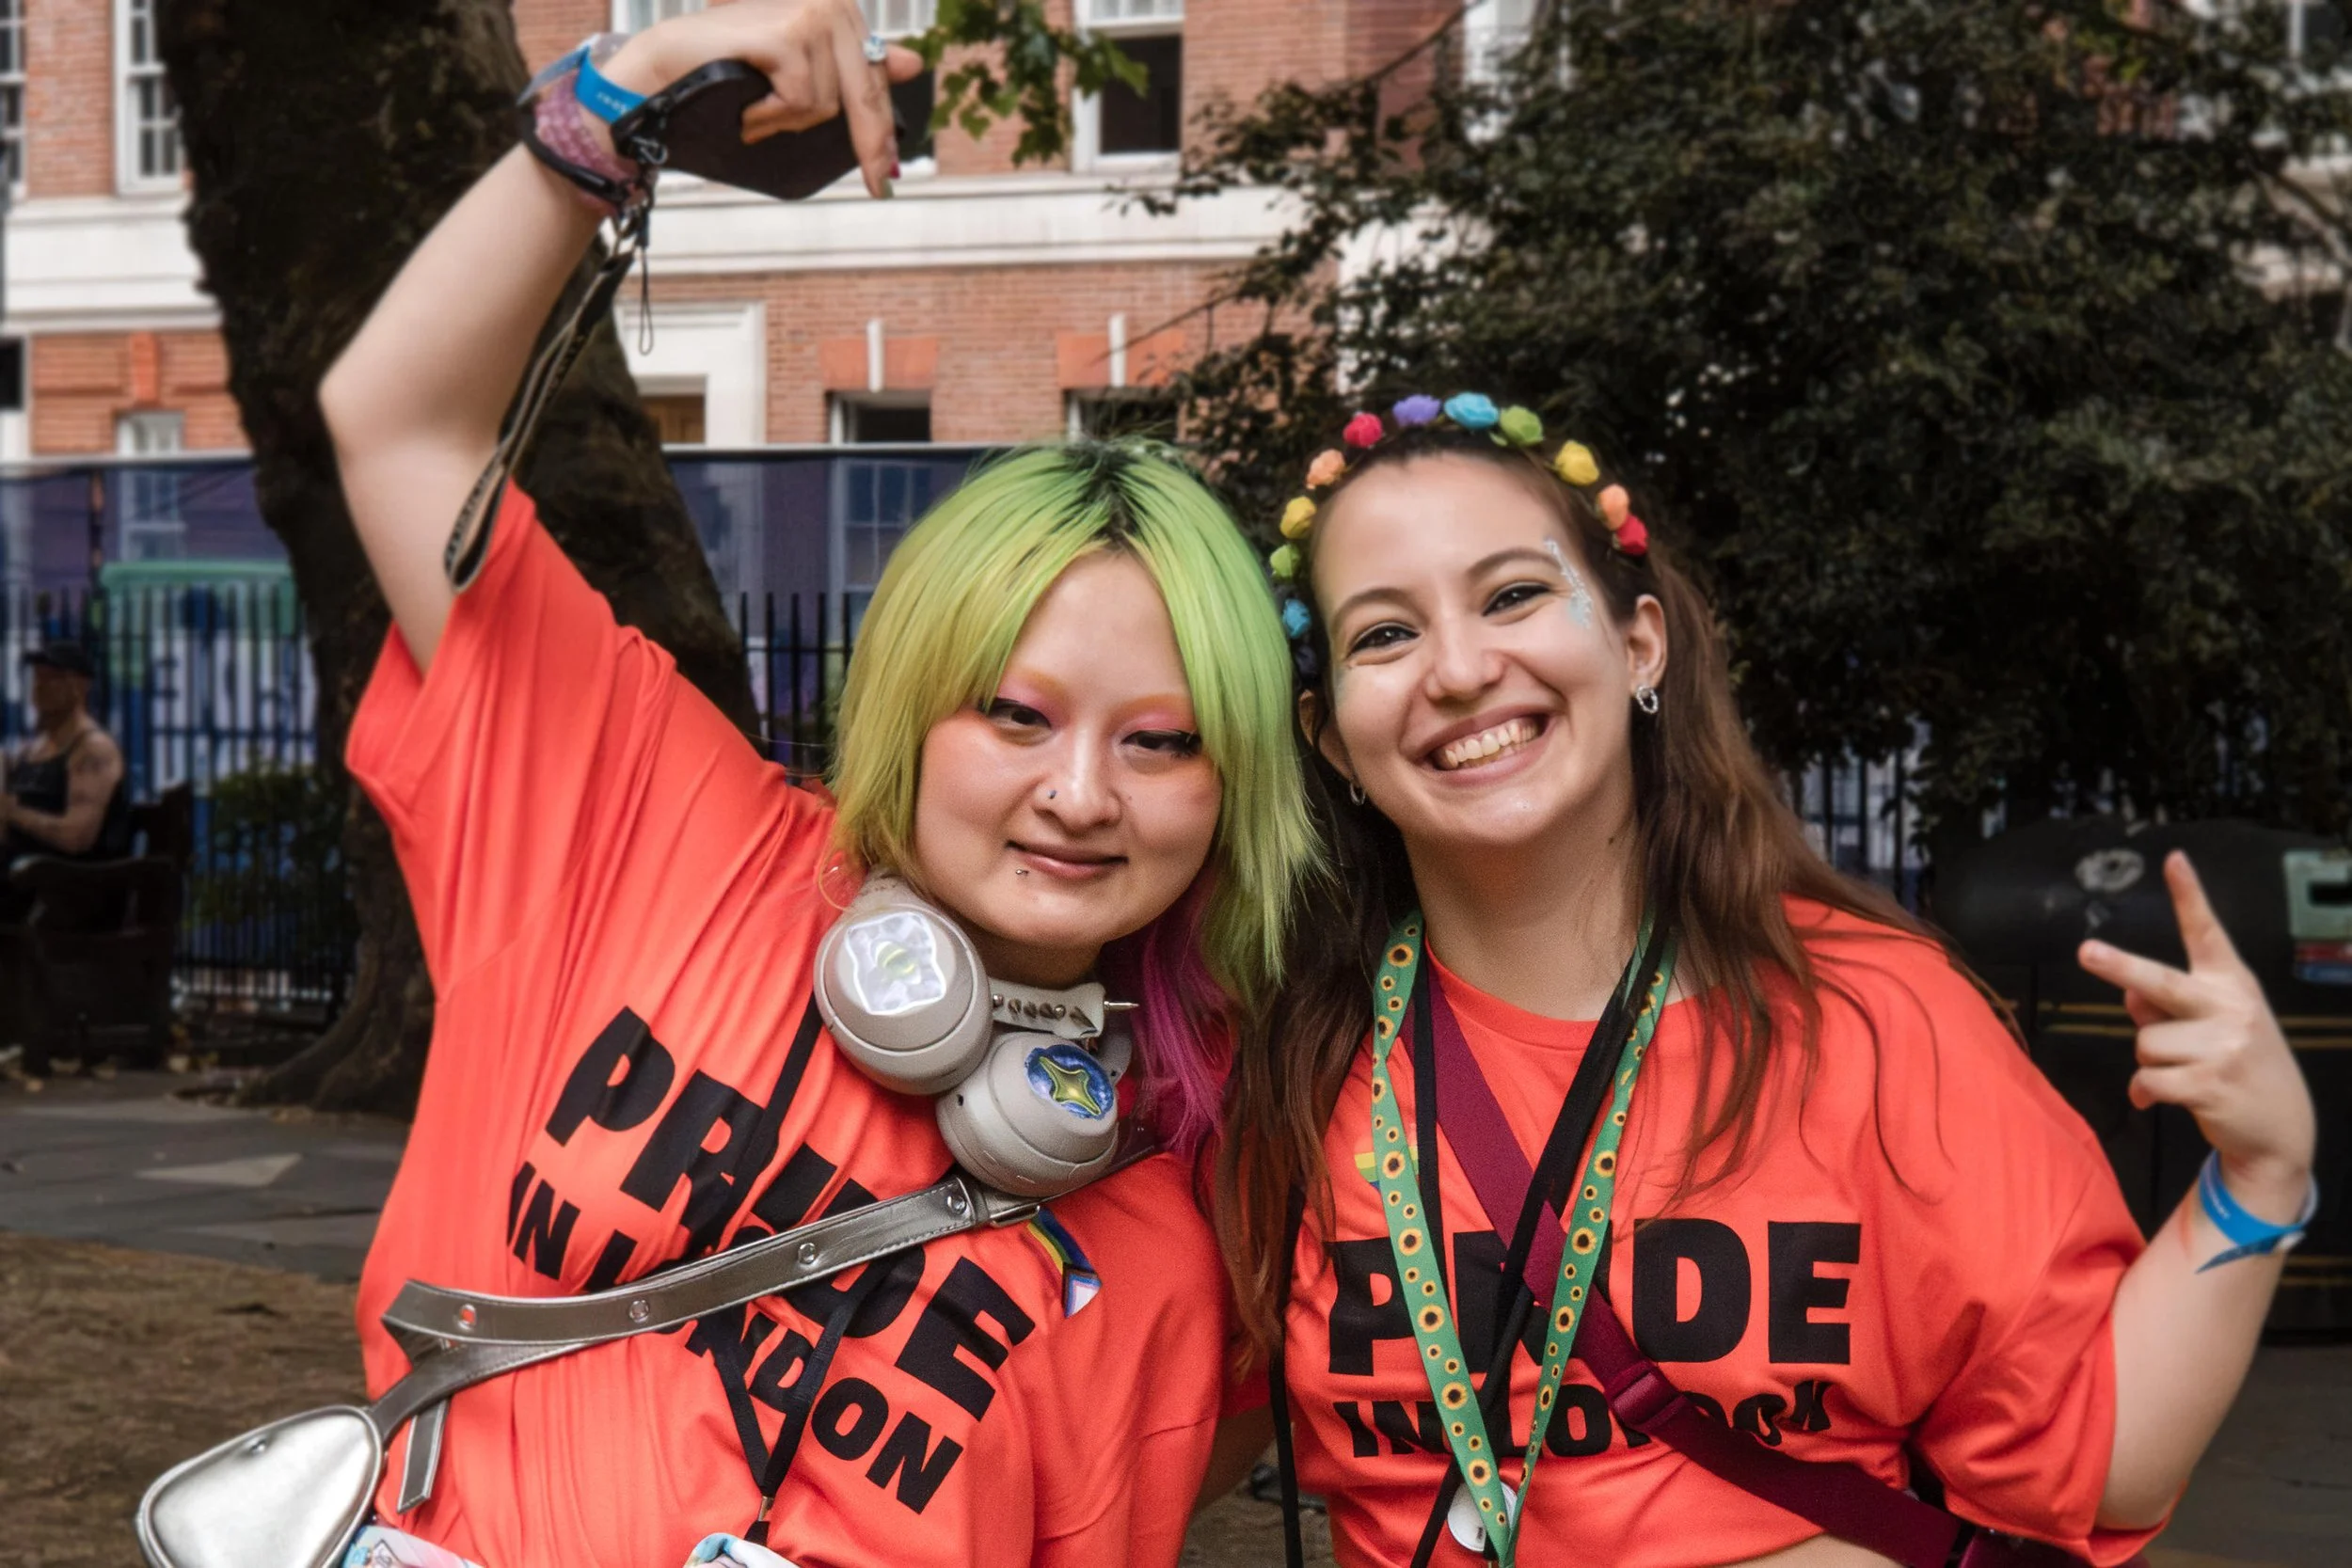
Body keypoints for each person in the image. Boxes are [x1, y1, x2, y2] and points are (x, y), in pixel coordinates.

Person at [315, 3, 1314, 1566]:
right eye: (1016, 711)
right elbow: (393, 427)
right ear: (915, 705)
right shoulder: (648, 820)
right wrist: (620, 100)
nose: (1080, 793)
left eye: (1162, 740)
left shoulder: (1188, 1238)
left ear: (1229, 782)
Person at [1212, 394, 2319, 1568]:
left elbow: (2089, 1458)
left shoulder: (1880, 1016)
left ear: (1637, 643)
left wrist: (2260, 1173)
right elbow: (1141, 1421)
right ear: (1332, 737)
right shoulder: (1284, 1056)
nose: (1460, 666)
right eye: (1384, 633)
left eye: (1514, 594)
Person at [1, 641, 132, 887]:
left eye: (53, 678)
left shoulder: (93, 750)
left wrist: (12, 813)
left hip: (69, 889)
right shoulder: (29, 752)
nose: (40, 686)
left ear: (80, 687)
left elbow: (77, 837)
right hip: (19, 881)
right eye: (38, 677)